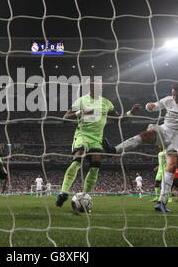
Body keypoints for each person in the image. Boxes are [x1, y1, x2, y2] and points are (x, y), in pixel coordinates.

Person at [112, 83, 178, 212]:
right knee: (146, 135)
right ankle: (114, 150)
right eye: (173, 94)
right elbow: (154, 106)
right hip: (164, 130)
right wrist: (149, 106)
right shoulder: (168, 99)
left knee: (172, 165)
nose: (174, 98)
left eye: (177, 96)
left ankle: (161, 202)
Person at [55, 77, 142, 208]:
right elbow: (65, 118)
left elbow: (118, 119)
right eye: (95, 86)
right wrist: (82, 112)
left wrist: (131, 113)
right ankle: (63, 193)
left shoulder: (106, 103)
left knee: (96, 165)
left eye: (100, 87)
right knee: (78, 159)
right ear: (89, 88)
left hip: (97, 138)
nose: (98, 88)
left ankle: (85, 196)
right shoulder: (81, 101)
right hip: (82, 135)